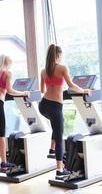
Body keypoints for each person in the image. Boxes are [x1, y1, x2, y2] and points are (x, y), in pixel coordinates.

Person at [38, 44, 91, 177]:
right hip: (55, 105)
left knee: (57, 126)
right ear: (58, 55)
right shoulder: (62, 68)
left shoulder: (43, 70)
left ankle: (51, 149)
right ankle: (59, 170)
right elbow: (71, 86)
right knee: (60, 136)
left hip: (43, 106)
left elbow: (42, 91)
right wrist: (84, 90)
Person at [0, 54, 30, 172]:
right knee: (2, 134)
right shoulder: (7, 73)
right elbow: (10, 91)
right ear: (8, 64)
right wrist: (24, 93)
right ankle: (3, 163)